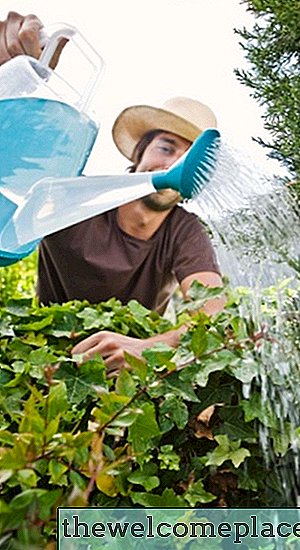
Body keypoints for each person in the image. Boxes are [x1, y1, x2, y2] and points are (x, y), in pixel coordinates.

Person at [0, 11, 225, 374]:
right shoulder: (72, 197)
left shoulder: (184, 232)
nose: (172, 165)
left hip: (129, 388)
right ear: (139, 155)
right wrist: (10, 75)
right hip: (44, 365)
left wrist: (148, 349)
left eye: (188, 156)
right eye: (166, 148)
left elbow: (214, 318)